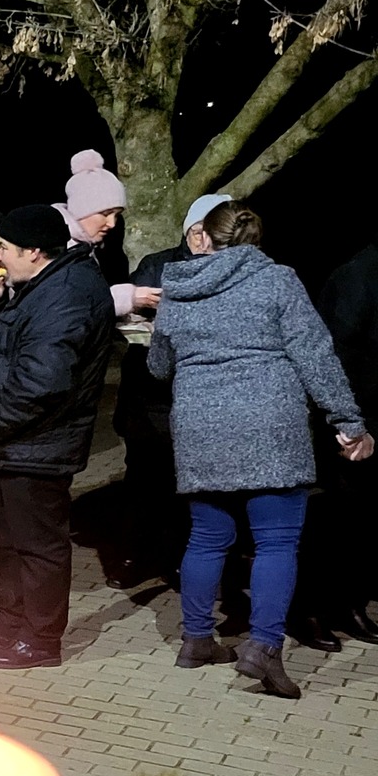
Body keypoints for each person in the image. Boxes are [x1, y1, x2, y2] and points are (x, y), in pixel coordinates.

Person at [147, 201, 373, 699]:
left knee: (207, 538)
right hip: (270, 426)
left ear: (206, 237)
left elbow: (160, 366)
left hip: (203, 428)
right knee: (276, 542)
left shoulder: (178, 287)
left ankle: (196, 640)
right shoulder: (277, 280)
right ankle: (264, 648)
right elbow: (315, 355)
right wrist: (348, 421)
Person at [0, 204, 116, 669]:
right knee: (10, 542)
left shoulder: (67, 293)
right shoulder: (44, 285)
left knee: (38, 546)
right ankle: (12, 622)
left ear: (33, 251)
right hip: (18, 443)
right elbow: (7, 353)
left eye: (5, 248)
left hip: (36, 442)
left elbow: (41, 383)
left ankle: (41, 640)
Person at [109, 192, 232, 587]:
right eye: (197, 232)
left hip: (198, 395)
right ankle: (131, 556)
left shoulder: (230, 269)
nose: (203, 241)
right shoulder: (158, 264)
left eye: (211, 234)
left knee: (189, 485)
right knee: (142, 478)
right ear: (188, 231)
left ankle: (178, 559)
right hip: (148, 394)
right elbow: (129, 315)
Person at [316, 230, 378, 642]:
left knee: (363, 518)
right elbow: (338, 356)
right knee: (347, 518)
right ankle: (334, 605)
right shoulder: (358, 276)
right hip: (357, 419)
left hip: (367, 413)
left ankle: (349, 600)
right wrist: (350, 424)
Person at [58, 150, 148, 317]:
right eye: (105, 213)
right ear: (80, 210)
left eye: (116, 215)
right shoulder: (55, 248)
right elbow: (64, 308)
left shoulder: (83, 247)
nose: (112, 223)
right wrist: (124, 298)